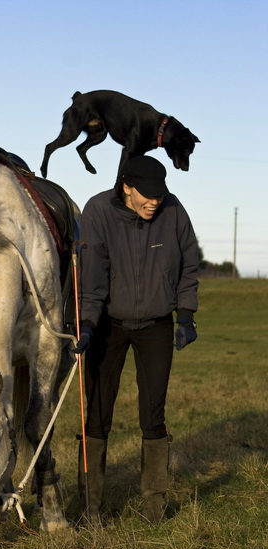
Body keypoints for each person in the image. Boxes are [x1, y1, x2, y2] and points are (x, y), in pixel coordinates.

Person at [74, 155, 199, 524]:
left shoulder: (173, 211)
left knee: (153, 415)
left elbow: (188, 263)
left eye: (159, 194)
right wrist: (85, 324)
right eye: (146, 194)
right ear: (126, 186)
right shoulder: (97, 211)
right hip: (108, 326)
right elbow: (92, 276)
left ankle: (153, 511)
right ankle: (90, 509)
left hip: (158, 325)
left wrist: (186, 316)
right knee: (96, 414)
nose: (155, 201)